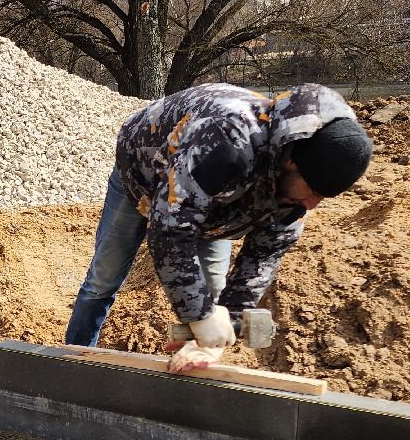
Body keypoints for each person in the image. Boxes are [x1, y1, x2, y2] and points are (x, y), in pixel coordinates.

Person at [65, 83, 372, 372]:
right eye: (314, 190)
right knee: (103, 280)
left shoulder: (295, 191)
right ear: (292, 161)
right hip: (142, 169)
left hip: (214, 198)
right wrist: (198, 316)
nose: (314, 204)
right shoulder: (227, 141)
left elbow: (261, 261)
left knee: (211, 293)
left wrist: (224, 323)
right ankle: (74, 361)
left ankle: (185, 368)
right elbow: (170, 229)